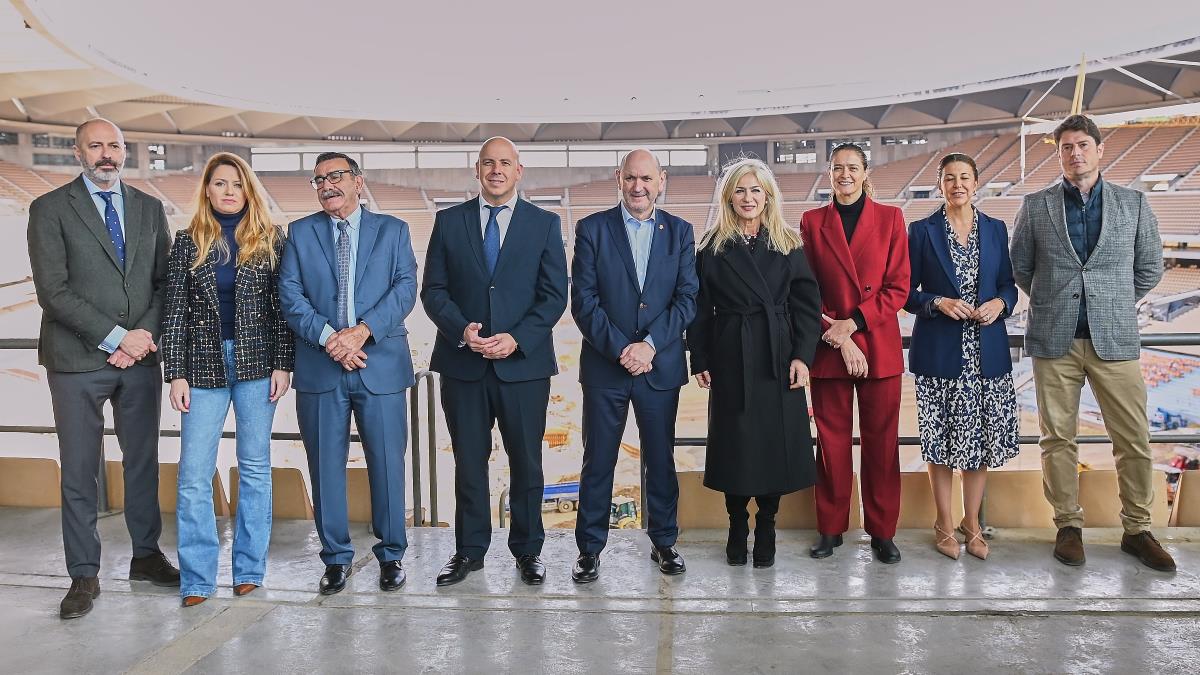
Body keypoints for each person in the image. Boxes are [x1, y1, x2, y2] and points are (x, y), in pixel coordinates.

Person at [27, 118, 178, 619]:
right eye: (96, 145)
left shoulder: (149, 208)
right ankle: (83, 575)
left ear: (125, 151)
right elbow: (53, 291)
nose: (106, 153)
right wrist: (116, 337)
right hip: (76, 362)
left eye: (114, 145)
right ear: (78, 152)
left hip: (140, 360)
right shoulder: (49, 208)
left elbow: (164, 283)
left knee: (143, 462)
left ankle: (146, 556)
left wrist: (141, 339)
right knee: (79, 470)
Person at [1011, 114, 1174, 572]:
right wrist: (1059, 301)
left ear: (1099, 150)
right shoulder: (1036, 205)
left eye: (1083, 144)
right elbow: (1021, 267)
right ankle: (1068, 525)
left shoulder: (1133, 203)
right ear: (1059, 154)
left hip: (1114, 338)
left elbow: (1150, 268)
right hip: (1055, 339)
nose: (1075, 153)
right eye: (1067, 147)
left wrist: (1111, 302)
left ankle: (1138, 529)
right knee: (1057, 439)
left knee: (1133, 437)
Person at [421, 137, 568, 586]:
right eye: (488, 163)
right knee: (469, 462)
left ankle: (528, 551)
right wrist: (461, 330)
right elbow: (434, 291)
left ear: (518, 171)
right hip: (464, 365)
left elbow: (553, 295)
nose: (496, 170)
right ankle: (469, 552)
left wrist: (517, 338)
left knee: (527, 463)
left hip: (523, 367)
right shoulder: (449, 222)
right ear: (477, 170)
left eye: (505, 163)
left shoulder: (544, 224)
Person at [278, 152, 418, 594]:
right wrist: (330, 339)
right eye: (319, 179)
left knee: (387, 464)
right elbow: (290, 295)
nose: (327, 185)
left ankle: (391, 555)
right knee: (325, 468)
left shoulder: (393, 230)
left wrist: (361, 333)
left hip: (381, 365)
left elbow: (405, 289)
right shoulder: (300, 232)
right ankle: (336, 558)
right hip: (321, 367)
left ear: (359, 181)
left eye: (335, 176)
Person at [161, 152, 293, 605]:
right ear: (207, 190)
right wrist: (176, 373)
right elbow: (174, 311)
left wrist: (283, 363)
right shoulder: (187, 241)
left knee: (254, 468)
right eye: (220, 183)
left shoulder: (271, 238)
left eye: (237, 184)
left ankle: (249, 570)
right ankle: (197, 579)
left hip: (258, 367)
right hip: (202, 368)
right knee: (194, 473)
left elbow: (281, 307)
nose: (229, 191)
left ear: (248, 189)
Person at [570, 149, 698, 582]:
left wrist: (650, 346)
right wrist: (623, 349)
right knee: (598, 461)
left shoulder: (680, 232)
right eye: (630, 178)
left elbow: (687, 299)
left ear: (661, 180)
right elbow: (583, 301)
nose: (638, 187)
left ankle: (664, 542)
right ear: (618, 178)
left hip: (659, 368)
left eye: (646, 178)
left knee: (660, 459)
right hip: (606, 367)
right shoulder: (592, 229)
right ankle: (589, 549)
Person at [688, 158, 821, 568]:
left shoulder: (788, 242)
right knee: (735, 444)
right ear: (729, 197)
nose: (748, 198)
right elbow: (699, 309)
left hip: (777, 356)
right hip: (731, 354)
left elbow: (806, 306)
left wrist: (802, 356)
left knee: (772, 445)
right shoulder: (711, 247)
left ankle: (767, 524)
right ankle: (736, 525)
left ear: (768, 196)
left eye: (755, 190)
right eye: (740, 191)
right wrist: (700, 357)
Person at [905, 153, 1019, 561]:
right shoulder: (921, 231)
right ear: (940, 185)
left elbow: (1008, 285)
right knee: (939, 445)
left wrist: (1000, 305)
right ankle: (943, 523)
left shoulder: (995, 228)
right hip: (939, 354)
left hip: (986, 354)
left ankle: (972, 525)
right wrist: (937, 302)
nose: (957, 184)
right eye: (949, 178)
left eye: (965, 177)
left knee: (979, 444)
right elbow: (906, 293)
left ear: (976, 182)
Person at [799, 143, 909, 564]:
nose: (844, 174)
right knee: (831, 445)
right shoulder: (812, 221)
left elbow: (897, 288)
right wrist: (840, 335)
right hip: (830, 346)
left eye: (852, 167)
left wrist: (854, 325)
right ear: (829, 174)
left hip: (877, 345)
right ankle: (830, 528)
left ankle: (882, 531)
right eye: (837, 168)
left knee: (882, 446)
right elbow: (806, 290)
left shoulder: (891, 218)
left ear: (865, 172)